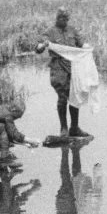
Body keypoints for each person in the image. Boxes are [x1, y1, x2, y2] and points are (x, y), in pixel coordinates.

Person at [36, 7, 91, 139]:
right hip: (58, 67)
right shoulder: (50, 32)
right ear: (57, 18)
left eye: (66, 18)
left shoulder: (72, 30)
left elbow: (81, 43)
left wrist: (86, 47)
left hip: (73, 67)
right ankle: (63, 128)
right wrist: (42, 45)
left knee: (75, 97)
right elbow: (38, 48)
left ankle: (74, 128)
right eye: (62, 18)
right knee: (62, 98)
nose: (64, 20)